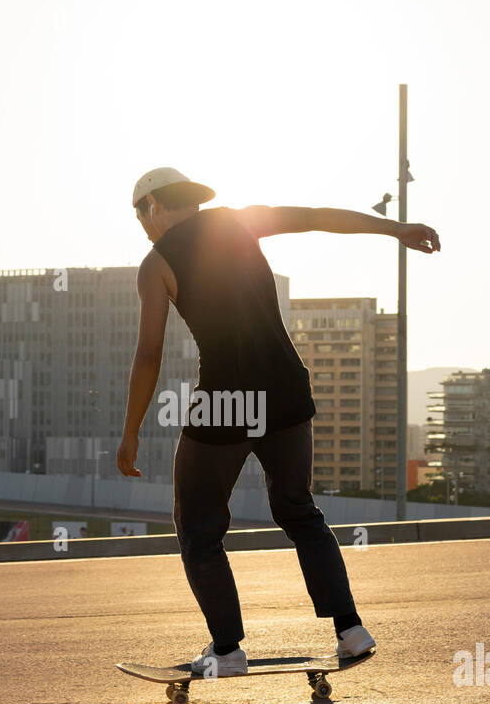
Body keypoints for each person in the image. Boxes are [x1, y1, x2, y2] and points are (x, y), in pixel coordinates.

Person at [116, 167, 440, 677]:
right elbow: (316, 218)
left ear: (153, 205)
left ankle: (226, 649)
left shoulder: (156, 264)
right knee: (298, 509)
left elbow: (149, 355)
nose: (141, 226)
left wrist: (131, 430)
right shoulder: (240, 222)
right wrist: (396, 230)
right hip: (288, 391)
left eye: (138, 214)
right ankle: (351, 630)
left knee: (198, 526)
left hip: (225, 400)